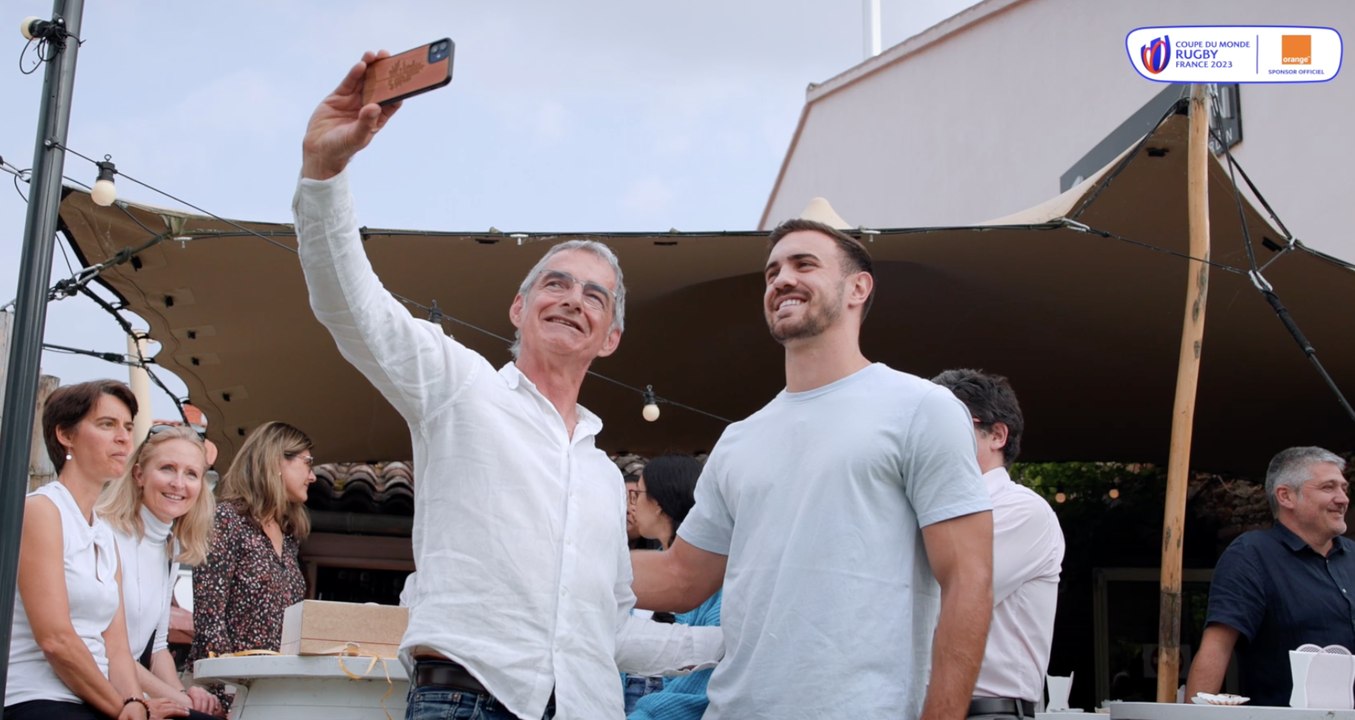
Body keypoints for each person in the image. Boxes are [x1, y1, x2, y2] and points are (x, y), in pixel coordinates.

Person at [292, 52, 721, 720]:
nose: (572, 298)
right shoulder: (459, 389)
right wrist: (324, 174)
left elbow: (610, 634)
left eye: (594, 296)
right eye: (555, 282)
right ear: (519, 309)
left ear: (609, 338)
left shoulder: (605, 478)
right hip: (464, 701)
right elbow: (353, 306)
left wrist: (738, 641)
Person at [632, 217, 995, 719]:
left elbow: (968, 578)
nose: (782, 279)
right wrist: (556, 558)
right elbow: (680, 577)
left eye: (805, 264)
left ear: (858, 287)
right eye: (772, 271)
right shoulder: (739, 439)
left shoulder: (920, 408)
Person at [4, 380, 161, 720]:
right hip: (38, 697)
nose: (123, 437)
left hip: (99, 700)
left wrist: (136, 702)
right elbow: (56, 640)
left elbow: (117, 648)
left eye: (128, 427)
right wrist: (124, 709)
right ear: (66, 435)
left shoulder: (103, 534)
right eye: (107, 424)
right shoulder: (43, 511)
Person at [932, 369, 1065, 719]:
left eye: (949, 427)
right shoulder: (927, 511)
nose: (932, 440)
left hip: (991, 710)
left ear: (997, 435)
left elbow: (935, 600)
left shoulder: (1022, 511)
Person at [1184, 446, 1353, 707]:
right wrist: (1191, 718)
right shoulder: (1252, 555)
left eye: (1343, 488)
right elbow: (1217, 647)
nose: (1343, 498)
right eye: (1328, 487)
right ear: (1286, 496)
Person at [97, 426, 222, 719]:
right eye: (168, 469)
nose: (179, 483)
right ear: (139, 475)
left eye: (191, 474)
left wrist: (182, 693)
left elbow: (158, 647)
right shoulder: (105, 534)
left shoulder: (169, 546)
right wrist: (179, 701)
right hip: (101, 692)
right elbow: (108, 649)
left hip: (131, 691)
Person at [188, 422, 314, 708]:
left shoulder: (289, 535)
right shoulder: (226, 520)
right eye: (307, 463)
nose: (313, 476)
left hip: (272, 692)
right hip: (227, 695)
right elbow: (210, 617)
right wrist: (226, 692)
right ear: (276, 462)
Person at [626, 455, 720, 720]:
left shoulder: (712, 578)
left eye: (637, 495)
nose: (631, 507)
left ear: (658, 504)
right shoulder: (644, 565)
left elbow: (707, 673)